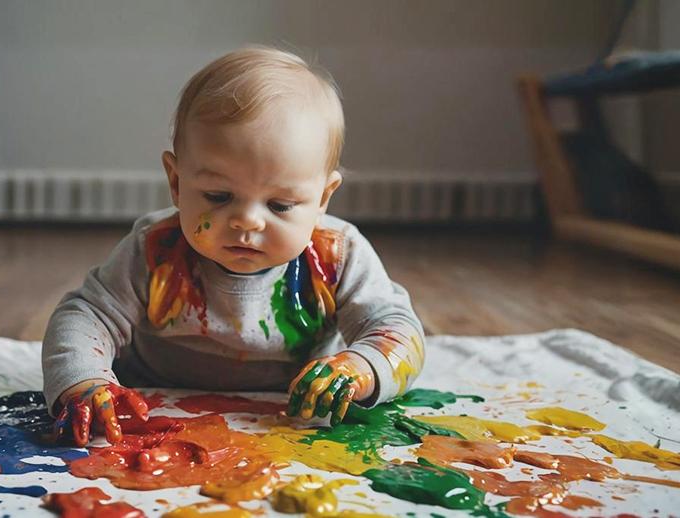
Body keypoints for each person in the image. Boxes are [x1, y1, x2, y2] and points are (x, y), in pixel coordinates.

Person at [42, 46, 425, 445]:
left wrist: (359, 367)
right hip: (154, 403)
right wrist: (84, 381)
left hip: (285, 419)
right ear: (176, 183)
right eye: (218, 196)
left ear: (323, 198)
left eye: (280, 205)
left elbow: (397, 330)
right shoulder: (156, 248)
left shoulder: (336, 256)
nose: (247, 220)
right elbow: (85, 316)